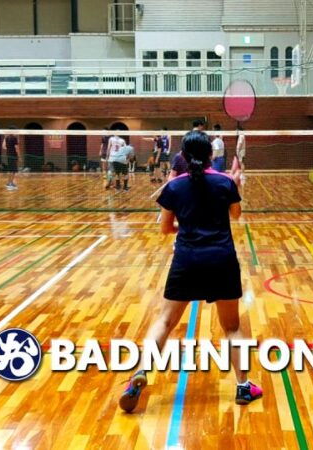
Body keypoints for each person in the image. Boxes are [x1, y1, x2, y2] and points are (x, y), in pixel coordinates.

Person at [119, 130, 262, 413]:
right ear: (211, 154)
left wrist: (188, 226)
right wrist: (236, 185)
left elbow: (164, 230)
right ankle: (244, 387)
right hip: (221, 259)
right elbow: (236, 215)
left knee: (164, 322)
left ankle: (140, 373)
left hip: (186, 260)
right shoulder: (225, 182)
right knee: (232, 327)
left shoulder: (173, 187)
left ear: (183, 156)